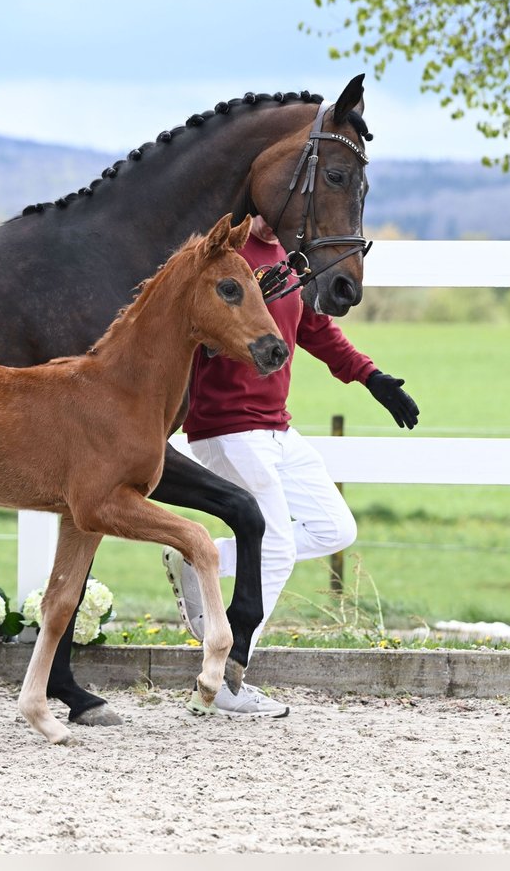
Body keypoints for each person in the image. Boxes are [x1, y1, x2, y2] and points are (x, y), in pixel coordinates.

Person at [164, 213, 419, 717]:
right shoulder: (225, 259)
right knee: (276, 545)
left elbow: (316, 330)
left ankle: (202, 556)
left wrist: (371, 378)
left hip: (279, 427)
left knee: (334, 528)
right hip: (228, 426)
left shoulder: (286, 254)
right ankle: (228, 679)